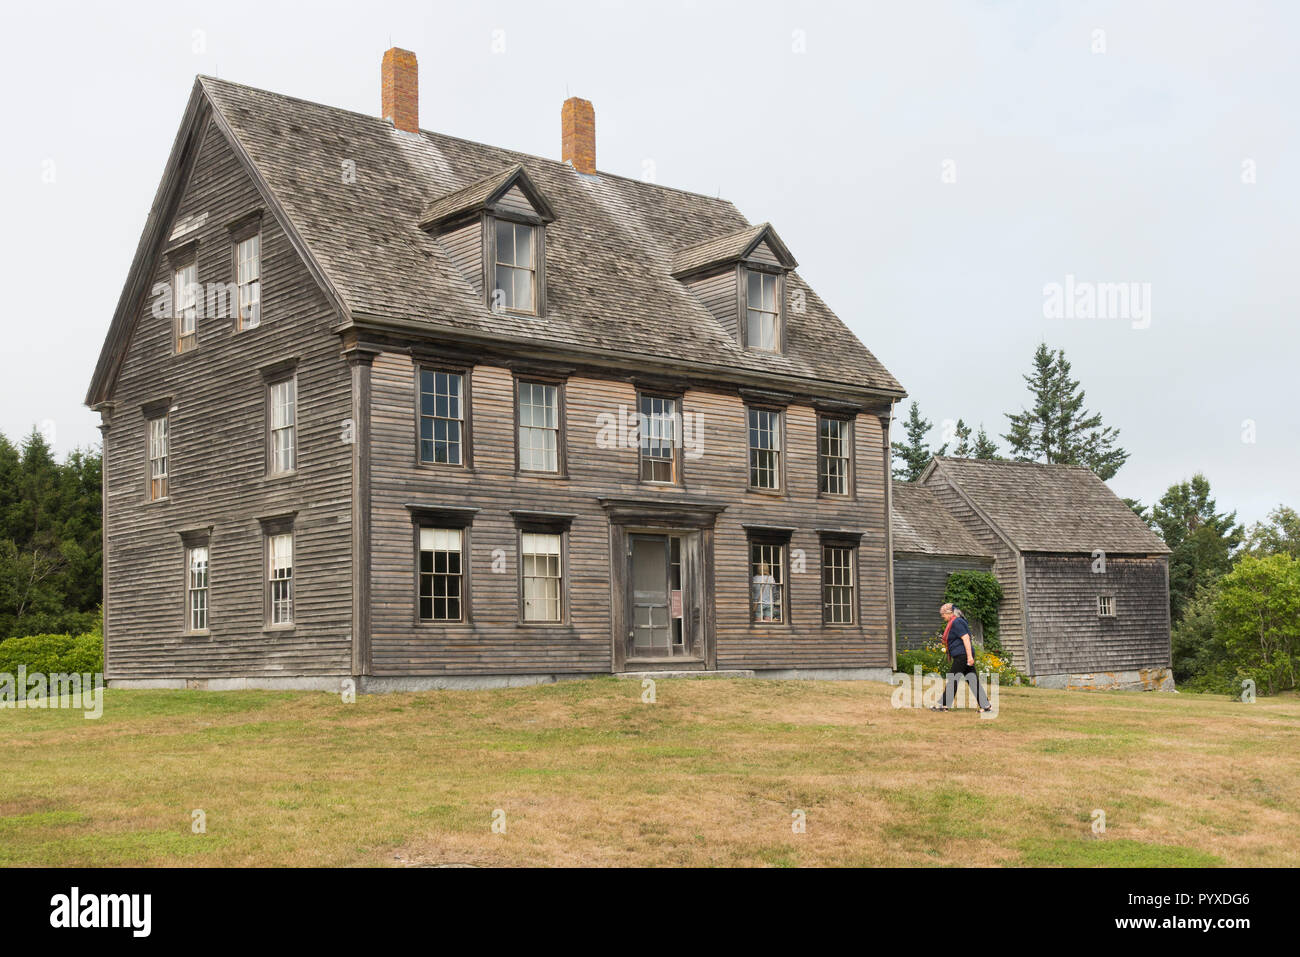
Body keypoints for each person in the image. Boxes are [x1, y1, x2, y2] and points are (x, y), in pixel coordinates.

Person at [931, 602, 992, 712]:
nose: (942, 616)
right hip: (963, 655)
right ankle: (986, 706)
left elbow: (966, 638)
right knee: (972, 680)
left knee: (953, 678)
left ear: (949, 613)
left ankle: (944, 705)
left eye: (943, 614)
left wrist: (969, 657)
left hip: (963, 655)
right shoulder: (954, 622)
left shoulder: (957, 622)